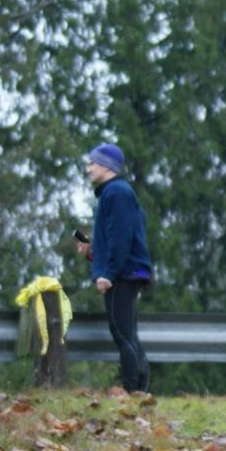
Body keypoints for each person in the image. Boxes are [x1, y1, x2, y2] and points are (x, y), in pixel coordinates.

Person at [77, 143, 152, 394]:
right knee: (128, 332)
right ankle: (140, 390)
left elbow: (121, 238)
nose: (87, 168)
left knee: (121, 332)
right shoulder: (115, 192)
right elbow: (115, 238)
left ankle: (131, 390)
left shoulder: (117, 193)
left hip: (123, 273)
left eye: (92, 163)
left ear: (106, 166)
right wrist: (93, 251)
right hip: (127, 270)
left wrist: (108, 273)